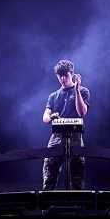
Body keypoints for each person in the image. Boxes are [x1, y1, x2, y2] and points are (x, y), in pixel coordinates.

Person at [42, 60, 90, 190]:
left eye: (66, 75)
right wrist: (51, 117)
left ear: (72, 74)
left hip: (75, 136)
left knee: (77, 178)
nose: (63, 79)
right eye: (60, 76)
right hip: (56, 137)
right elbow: (45, 117)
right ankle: (47, 208)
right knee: (49, 176)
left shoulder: (83, 91)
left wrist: (77, 90)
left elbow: (82, 113)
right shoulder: (53, 95)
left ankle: (78, 208)